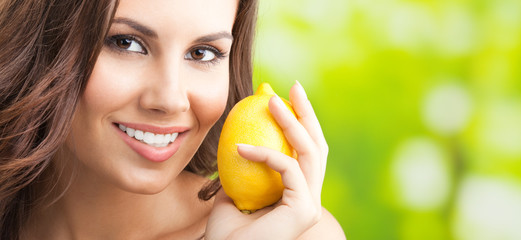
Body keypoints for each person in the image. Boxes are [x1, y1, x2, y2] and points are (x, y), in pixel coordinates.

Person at [0, 0, 346, 239]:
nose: (170, 99)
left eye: (202, 53)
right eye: (126, 43)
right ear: (43, 44)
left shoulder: (293, 235)